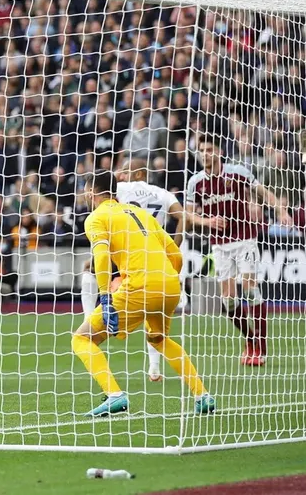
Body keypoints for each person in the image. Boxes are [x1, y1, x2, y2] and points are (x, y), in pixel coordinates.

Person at [73, 170, 214, 417]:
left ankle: (115, 395)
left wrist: (105, 297)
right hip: (169, 284)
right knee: (158, 339)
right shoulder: (139, 213)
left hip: (138, 286)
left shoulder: (97, 217)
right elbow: (175, 254)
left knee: (82, 339)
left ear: (91, 191)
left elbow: (102, 257)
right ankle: (202, 395)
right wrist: (169, 281)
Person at [186, 137, 292, 366]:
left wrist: (281, 211)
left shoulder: (237, 172)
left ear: (219, 151)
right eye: (201, 150)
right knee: (229, 302)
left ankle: (261, 347)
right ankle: (251, 339)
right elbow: (188, 214)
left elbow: (263, 192)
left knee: (250, 290)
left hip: (245, 238)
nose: (205, 154)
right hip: (219, 244)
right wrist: (208, 222)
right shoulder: (195, 183)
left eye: (209, 149)